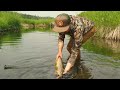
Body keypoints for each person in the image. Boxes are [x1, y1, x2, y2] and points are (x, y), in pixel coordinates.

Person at [52, 13, 96, 79]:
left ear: (69, 25)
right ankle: (77, 60)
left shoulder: (78, 28)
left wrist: (67, 68)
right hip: (75, 30)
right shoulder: (62, 23)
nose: (62, 31)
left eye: (64, 29)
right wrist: (59, 52)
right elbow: (61, 38)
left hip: (88, 30)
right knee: (69, 47)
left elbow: (75, 49)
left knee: (73, 48)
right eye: (61, 29)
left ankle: (77, 62)